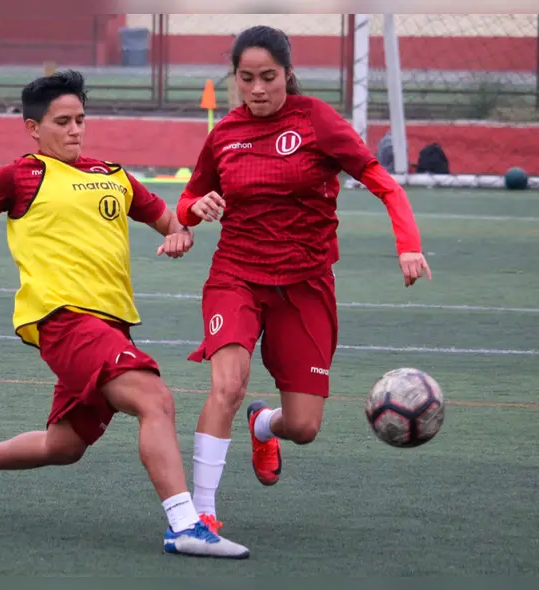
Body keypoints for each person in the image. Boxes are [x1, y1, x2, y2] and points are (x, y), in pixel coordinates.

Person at [0, 70, 250, 559]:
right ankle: (184, 525)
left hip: (110, 324)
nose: (75, 130)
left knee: (63, 446)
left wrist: (179, 231)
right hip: (62, 320)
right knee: (155, 398)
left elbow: (169, 219)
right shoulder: (21, 175)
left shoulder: (113, 175)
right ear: (33, 128)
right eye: (62, 121)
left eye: (80, 120)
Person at [175, 26, 432, 532]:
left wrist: (409, 244)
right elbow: (188, 199)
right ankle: (199, 514)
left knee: (304, 427)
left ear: (287, 74)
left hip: (305, 284)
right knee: (227, 385)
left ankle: (263, 423)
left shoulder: (317, 120)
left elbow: (383, 182)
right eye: (246, 78)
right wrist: (192, 210)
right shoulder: (224, 134)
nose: (257, 89)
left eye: (268, 77)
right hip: (237, 276)